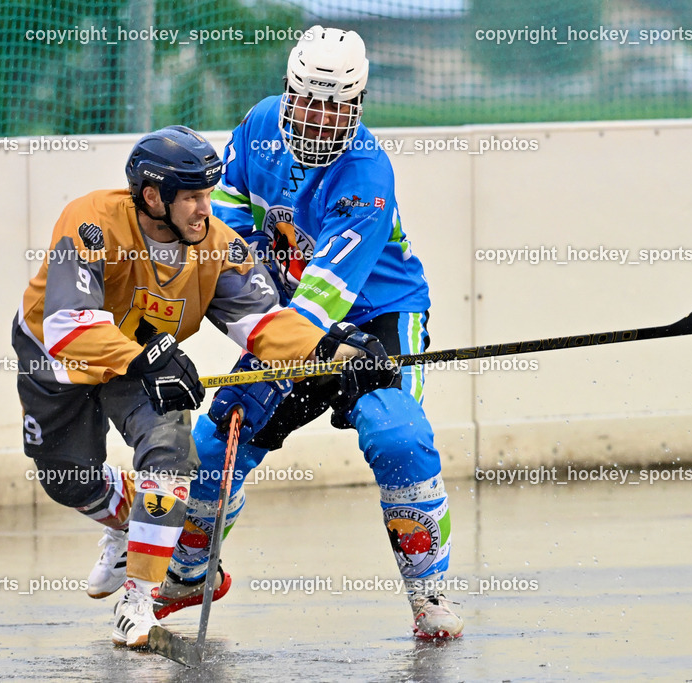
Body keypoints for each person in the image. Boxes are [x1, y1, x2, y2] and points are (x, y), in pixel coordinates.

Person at [12, 124, 396, 649]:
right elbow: (64, 324)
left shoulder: (219, 247)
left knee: (169, 459)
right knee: (66, 480)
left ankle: (139, 599)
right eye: (192, 197)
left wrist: (335, 350)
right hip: (62, 357)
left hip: (148, 365)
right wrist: (143, 356)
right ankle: (128, 517)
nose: (205, 208)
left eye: (208, 194)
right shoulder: (91, 220)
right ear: (152, 197)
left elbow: (265, 325)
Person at [144, 26, 464, 640]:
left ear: (359, 107)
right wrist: (244, 293)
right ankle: (192, 572)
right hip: (292, 314)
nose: (318, 121)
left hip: (378, 316)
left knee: (396, 434)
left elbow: (327, 294)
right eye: (307, 102)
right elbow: (226, 216)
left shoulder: (367, 176)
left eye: (335, 107)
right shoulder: (259, 125)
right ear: (287, 94)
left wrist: (299, 335)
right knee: (216, 444)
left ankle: (428, 593)